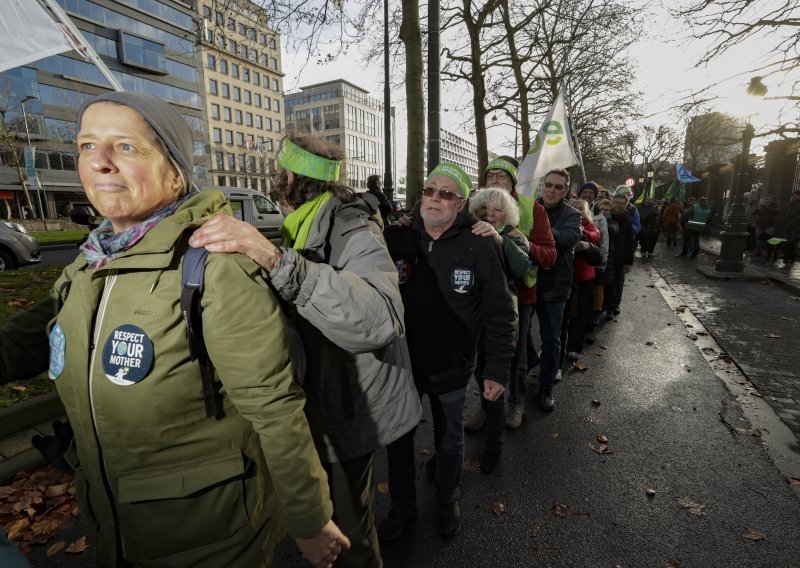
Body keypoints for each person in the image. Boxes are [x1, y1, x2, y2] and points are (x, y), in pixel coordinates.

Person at [0, 92, 348, 568]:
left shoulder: (213, 267)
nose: (99, 162)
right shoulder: (87, 264)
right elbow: (18, 346)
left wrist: (311, 519)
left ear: (175, 170)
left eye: (125, 147)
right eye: (85, 146)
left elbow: (274, 407)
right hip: (113, 527)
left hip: (208, 539)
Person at [190, 135, 422, 568]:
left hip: (351, 412)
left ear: (291, 178)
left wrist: (277, 262)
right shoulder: (304, 223)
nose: (274, 178)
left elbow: (381, 317)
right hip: (326, 404)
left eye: (279, 171)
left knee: (350, 533)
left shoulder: (353, 225)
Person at [379, 163, 515, 539]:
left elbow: (501, 314)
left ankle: (447, 499)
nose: (435, 198)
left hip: (452, 366)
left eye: (446, 193)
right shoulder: (397, 237)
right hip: (401, 364)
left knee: (450, 440)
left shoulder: (482, 244)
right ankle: (403, 508)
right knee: (398, 439)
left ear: (462, 202)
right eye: (429, 190)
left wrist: (497, 370)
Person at [480, 156, 557, 428]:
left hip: (520, 298)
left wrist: (525, 243)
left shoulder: (531, 209)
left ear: (512, 181)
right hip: (481, 297)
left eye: (501, 176)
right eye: (490, 176)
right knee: (483, 355)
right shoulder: (476, 204)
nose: (494, 181)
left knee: (516, 355)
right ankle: (486, 408)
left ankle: (516, 403)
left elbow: (549, 255)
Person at [465, 187, 532, 469]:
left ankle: (495, 444)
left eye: (497, 210)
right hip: (473, 318)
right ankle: (484, 412)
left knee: (496, 376)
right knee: (479, 372)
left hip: (501, 320)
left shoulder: (514, 236)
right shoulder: (469, 231)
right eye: (485, 209)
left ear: (508, 214)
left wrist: (499, 240)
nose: (490, 214)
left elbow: (522, 267)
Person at [533, 169, 582, 412]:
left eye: (558, 187)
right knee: (518, 338)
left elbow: (567, 238)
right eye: (548, 184)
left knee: (551, 339)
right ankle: (532, 365)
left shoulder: (572, 215)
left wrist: (536, 232)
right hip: (526, 282)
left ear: (566, 191)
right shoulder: (527, 208)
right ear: (542, 185)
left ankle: (546, 388)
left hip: (555, 287)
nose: (551, 190)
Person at [561, 198, 600, 365]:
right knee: (563, 314)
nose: (578, 210)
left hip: (583, 276)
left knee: (579, 314)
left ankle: (574, 348)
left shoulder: (589, 226)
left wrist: (582, 233)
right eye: (574, 207)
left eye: (581, 208)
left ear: (586, 212)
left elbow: (595, 235)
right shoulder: (564, 222)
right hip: (565, 276)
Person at [606, 189, 635, 317]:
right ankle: (605, 306)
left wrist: (629, 261)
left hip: (620, 256)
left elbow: (630, 243)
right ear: (613, 203)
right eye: (617, 202)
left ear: (626, 204)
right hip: (607, 255)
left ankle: (614, 305)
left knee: (617, 282)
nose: (619, 205)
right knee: (607, 282)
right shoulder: (606, 216)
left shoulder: (627, 220)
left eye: (622, 203)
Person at [780, 191, 800, 266]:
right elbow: (786, 213)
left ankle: (792, 256)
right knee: (787, 241)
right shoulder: (790, 203)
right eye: (794, 195)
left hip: (795, 226)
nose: (795, 196)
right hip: (788, 225)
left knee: (792, 242)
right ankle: (787, 256)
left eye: (797, 195)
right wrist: (785, 219)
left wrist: (793, 220)